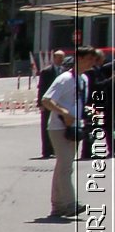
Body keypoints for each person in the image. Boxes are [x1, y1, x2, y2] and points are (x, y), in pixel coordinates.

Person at [42, 46, 98, 219]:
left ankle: (57, 205)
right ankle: (69, 203)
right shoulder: (64, 79)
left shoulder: (83, 79)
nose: (92, 62)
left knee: (63, 167)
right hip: (59, 128)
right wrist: (64, 113)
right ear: (79, 59)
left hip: (74, 127)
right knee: (66, 167)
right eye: (89, 58)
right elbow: (46, 100)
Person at [37, 50, 67, 159]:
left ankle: (55, 149)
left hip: (59, 103)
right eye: (58, 57)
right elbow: (41, 88)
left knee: (58, 126)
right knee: (46, 126)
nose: (60, 60)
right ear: (54, 58)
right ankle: (46, 150)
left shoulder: (64, 71)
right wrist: (40, 103)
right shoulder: (46, 71)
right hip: (47, 102)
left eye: (62, 58)